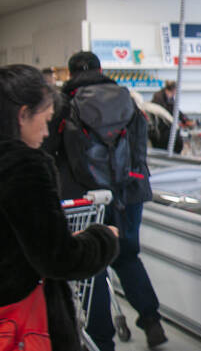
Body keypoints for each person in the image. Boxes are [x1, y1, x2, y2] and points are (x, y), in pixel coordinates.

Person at [42, 51, 167, 350]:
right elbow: (139, 150)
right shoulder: (127, 98)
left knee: (93, 263)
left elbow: (50, 150)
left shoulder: (63, 104)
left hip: (85, 198)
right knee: (127, 256)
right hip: (129, 193)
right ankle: (152, 321)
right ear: (101, 69)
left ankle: (102, 340)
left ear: (71, 74)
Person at [0, 64, 119, 351]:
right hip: (21, 322)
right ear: (23, 114)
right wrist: (103, 237)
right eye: (45, 119)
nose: (46, 132)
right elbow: (57, 259)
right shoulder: (24, 166)